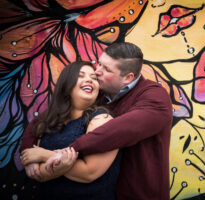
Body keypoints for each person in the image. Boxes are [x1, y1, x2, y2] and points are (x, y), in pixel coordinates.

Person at [20, 42, 173, 200]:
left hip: (139, 193)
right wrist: (28, 155)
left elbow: (118, 131)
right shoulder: (97, 93)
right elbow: (44, 119)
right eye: (99, 64)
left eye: (106, 69)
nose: (97, 71)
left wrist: (63, 153)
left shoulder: (155, 98)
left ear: (128, 78)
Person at [20, 61, 121, 200]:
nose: (89, 80)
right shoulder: (48, 121)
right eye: (81, 75)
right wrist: (54, 166)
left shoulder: (102, 119)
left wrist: (44, 155)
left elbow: (89, 173)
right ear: (67, 85)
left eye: (94, 78)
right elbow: (39, 174)